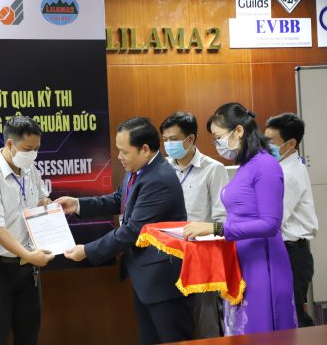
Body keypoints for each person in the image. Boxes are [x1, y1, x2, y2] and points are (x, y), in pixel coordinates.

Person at [57, 117, 195, 345]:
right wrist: (77, 204)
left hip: (164, 283)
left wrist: (87, 251)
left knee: (174, 340)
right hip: (146, 280)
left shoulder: (159, 179)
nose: (119, 157)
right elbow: (120, 199)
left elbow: (132, 231)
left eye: (124, 152)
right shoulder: (138, 169)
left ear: (145, 149)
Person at [184, 102, 297, 335]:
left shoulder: (265, 165)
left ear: (238, 131)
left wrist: (216, 229)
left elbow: (270, 224)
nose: (217, 145)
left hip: (262, 263)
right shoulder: (246, 165)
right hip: (242, 260)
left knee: (261, 331)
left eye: (218, 137)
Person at [0, 116, 54, 345]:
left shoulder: (30, 170)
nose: (33, 154)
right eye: (27, 149)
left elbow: (41, 198)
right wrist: (29, 255)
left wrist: (46, 204)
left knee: (29, 336)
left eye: (37, 149)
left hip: (27, 272)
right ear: (10, 144)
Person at [160, 111, 228, 339]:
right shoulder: (163, 168)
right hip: (169, 252)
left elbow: (222, 217)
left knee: (205, 319)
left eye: (173, 139)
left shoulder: (213, 169)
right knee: (174, 321)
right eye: (165, 139)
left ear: (190, 139)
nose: (168, 144)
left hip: (201, 254)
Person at [265, 112, 318, 327]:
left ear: (291, 144)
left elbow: (272, 220)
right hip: (287, 251)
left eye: (271, 141)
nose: (265, 146)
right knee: (288, 315)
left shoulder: (289, 174)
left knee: (292, 319)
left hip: (292, 254)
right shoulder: (281, 167)